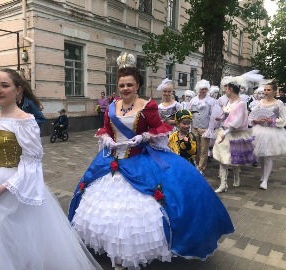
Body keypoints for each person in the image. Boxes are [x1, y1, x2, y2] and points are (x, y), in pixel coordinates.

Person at [68, 52, 234, 270]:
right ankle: (112, 250)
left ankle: (126, 255)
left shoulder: (147, 106)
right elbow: (106, 129)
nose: (125, 88)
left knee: (138, 211)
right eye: (122, 85)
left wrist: (144, 136)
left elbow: (160, 129)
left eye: (129, 84)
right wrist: (107, 138)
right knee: (105, 209)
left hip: (139, 160)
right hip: (112, 161)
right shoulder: (112, 107)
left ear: (137, 85)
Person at [0, 68, 102, 270]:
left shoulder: (26, 121)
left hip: (16, 187)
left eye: (5, 85)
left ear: (18, 90)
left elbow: (31, 162)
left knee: (21, 243)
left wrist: (6, 187)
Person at [213, 74, 260, 193]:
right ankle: (223, 184)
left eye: (226, 88)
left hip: (235, 135)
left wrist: (225, 132)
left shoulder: (241, 104)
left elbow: (236, 121)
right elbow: (226, 113)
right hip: (225, 133)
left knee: (234, 160)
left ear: (231, 89)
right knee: (222, 158)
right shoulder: (228, 101)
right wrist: (221, 118)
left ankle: (236, 176)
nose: (224, 90)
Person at [249, 82, 286, 190]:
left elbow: (283, 120)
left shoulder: (278, 103)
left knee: (268, 155)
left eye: (268, 90)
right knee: (261, 155)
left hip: (272, 131)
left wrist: (273, 120)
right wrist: (257, 120)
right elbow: (252, 116)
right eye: (265, 90)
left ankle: (265, 180)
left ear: (274, 91)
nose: (266, 92)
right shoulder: (260, 103)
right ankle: (263, 174)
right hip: (259, 130)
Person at [187, 79, 215, 175]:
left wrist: (210, 129)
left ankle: (201, 167)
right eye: (202, 89)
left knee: (204, 149)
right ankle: (197, 163)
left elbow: (213, 116)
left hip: (205, 128)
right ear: (198, 89)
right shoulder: (193, 100)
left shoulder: (211, 101)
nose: (204, 91)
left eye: (205, 89)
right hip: (194, 127)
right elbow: (189, 113)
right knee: (195, 148)